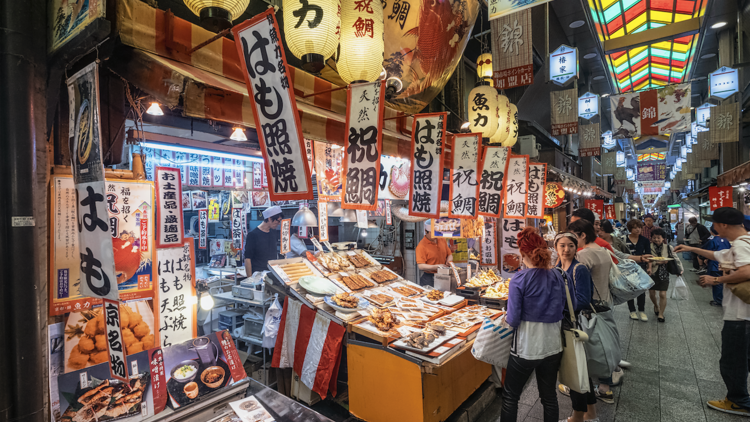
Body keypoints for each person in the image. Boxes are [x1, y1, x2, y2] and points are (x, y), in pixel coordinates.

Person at [674, 207, 750, 416]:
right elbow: (719, 255)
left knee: (733, 361)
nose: (712, 227)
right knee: (742, 359)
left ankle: (738, 401)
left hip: (741, 315)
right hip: (743, 315)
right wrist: (691, 249)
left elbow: (747, 270)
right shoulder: (744, 242)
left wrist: (716, 279)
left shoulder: (741, 246)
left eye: (714, 223)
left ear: (723, 225)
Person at [501, 227, 569, 422]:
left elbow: (513, 320)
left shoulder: (519, 279)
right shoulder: (557, 275)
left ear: (523, 254)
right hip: (553, 345)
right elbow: (563, 307)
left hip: (527, 347)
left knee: (511, 396)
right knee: (549, 396)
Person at [554, 232, 600, 422]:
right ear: (556, 247)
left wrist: (556, 304)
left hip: (573, 326)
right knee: (581, 370)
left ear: (576, 248)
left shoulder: (578, 269)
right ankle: (591, 414)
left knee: (575, 371)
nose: (566, 250)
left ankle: (577, 417)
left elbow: (583, 300)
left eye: (571, 246)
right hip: (564, 324)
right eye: (562, 246)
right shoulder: (557, 268)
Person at [648, 228, 683, 322]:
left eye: (658, 238)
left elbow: (676, 258)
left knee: (663, 294)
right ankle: (656, 306)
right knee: (651, 293)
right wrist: (657, 263)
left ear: (663, 238)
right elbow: (647, 260)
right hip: (652, 272)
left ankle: (661, 314)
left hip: (664, 273)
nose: (656, 240)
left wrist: (680, 270)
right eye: (654, 238)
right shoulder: (648, 246)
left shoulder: (668, 247)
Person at [624, 219, 651, 321]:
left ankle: (642, 310)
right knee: (629, 289)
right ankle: (632, 310)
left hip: (641, 267)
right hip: (627, 267)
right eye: (635, 228)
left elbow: (649, 254)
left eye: (639, 227)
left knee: (641, 289)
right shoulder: (624, 239)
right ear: (630, 228)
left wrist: (649, 267)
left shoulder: (645, 240)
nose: (638, 230)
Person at [244, 206, 283, 275]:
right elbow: (247, 258)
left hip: (272, 273)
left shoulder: (273, 232)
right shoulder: (253, 235)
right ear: (270, 218)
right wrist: (249, 279)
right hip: (258, 274)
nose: (279, 223)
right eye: (278, 220)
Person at [416, 220, 453, 286]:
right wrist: (437, 266)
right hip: (429, 278)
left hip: (444, 275)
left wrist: (449, 261)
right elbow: (421, 266)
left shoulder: (442, 239)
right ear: (426, 231)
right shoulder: (421, 246)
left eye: (436, 233)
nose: (435, 235)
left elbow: (449, 254)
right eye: (432, 233)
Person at [702, 226, 731, 307]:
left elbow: (707, 252)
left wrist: (705, 259)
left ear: (711, 232)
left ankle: (718, 300)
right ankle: (723, 298)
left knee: (716, 282)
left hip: (714, 264)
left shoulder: (712, 241)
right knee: (722, 282)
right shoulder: (727, 240)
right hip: (725, 264)